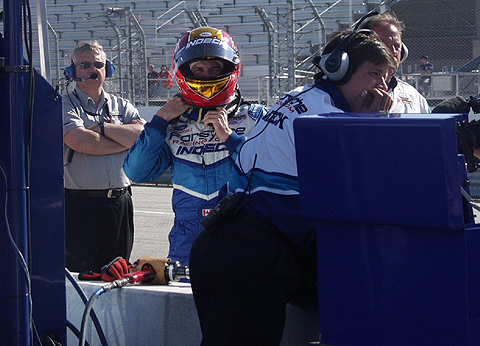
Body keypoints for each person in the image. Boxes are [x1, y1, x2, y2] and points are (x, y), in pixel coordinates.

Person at [189, 28, 397, 345]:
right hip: (253, 258)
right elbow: (364, 194)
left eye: (388, 78)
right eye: (374, 74)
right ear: (338, 68)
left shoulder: (298, 98)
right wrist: (371, 125)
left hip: (223, 244)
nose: (383, 88)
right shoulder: (327, 118)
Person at [123, 27, 266, 267]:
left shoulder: (254, 117)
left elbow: (269, 174)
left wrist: (230, 138)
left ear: (231, 69)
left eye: (214, 69)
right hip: (187, 242)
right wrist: (158, 122)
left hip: (244, 235)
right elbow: (136, 172)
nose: (206, 76)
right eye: (198, 69)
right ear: (183, 71)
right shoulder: (170, 124)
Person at [63, 40, 145, 273]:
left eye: (98, 64)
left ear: (107, 69)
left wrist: (100, 129)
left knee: (118, 274)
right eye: (85, 65)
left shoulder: (122, 104)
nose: (92, 70)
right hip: (81, 206)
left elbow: (142, 138)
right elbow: (79, 141)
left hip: (120, 204)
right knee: (82, 277)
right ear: (72, 71)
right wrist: (122, 141)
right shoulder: (65, 104)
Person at [359, 12, 430, 113]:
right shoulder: (346, 92)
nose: (393, 52)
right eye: (384, 44)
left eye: (396, 46)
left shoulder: (414, 97)